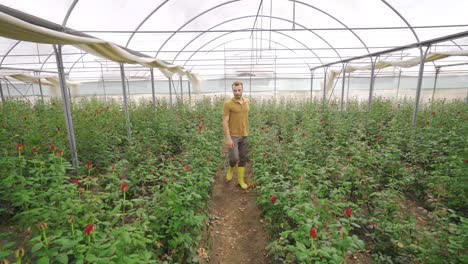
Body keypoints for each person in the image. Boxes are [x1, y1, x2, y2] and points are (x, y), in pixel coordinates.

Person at [222, 81, 250, 189]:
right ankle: (231, 169)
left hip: (244, 135)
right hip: (233, 136)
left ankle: (240, 180)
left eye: (239, 90)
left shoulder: (247, 101)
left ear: (242, 89)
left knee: (243, 158)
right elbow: (225, 121)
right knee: (234, 158)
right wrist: (228, 138)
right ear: (232, 90)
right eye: (235, 90)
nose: (237, 92)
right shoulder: (228, 104)